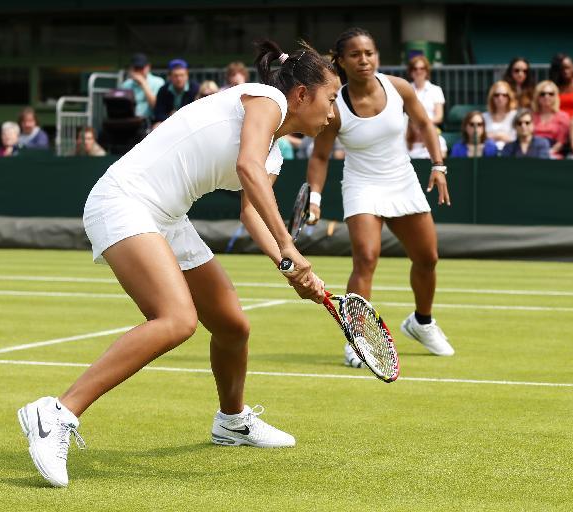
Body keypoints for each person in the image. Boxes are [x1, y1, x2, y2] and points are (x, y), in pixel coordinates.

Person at [17, 39, 338, 488]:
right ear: (301, 94)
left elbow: (251, 212)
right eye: (330, 99)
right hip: (124, 202)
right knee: (176, 319)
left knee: (232, 325)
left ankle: (231, 421)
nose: (332, 112)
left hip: (167, 217)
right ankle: (56, 414)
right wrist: (290, 246)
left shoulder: (275, 153)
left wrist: (290, 269)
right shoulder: (266, 99)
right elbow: (245, 167)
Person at [306, 27, 454, 369]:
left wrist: (438, 165)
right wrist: (314, 197)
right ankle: (358, 339)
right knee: (366, 257)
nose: (364, 60)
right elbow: (320, 157)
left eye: (369, 53)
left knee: (428, 258)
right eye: (355, 55)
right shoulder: (336, 105)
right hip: (362, 185)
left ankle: (422, 322)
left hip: (402, 180)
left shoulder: (399, 88)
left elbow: (425, 124)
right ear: (342, 61)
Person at [529, 80, 571, 159]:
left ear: (556, 97)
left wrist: (548, 152)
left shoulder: (563, 117)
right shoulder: (530, 116)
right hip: (532, 151)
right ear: (537, 97)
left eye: (551, 94)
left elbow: (561, 142)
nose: (546, 96)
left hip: (554, 152)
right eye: (542, 94)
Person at [153, 58, 199, 124]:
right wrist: (171, 117)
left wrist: (178, 115)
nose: (179, 79)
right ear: (170, 77)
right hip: (168, 122)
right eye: (175, 76)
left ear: (187, 76)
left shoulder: (195, 89)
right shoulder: (163, 90)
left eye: (182, 75)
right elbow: (158, 113)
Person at [120, 53, 165, 120]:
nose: (138, 71)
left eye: (141, 68)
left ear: (148, 67)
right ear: (131, 69)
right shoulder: (126, 84)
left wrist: (143, 83)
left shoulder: (158, 82)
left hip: (151, 120)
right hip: (129, 121)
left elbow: (156, 106)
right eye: (136, 68)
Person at [408, 55, 445, 126]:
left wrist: (424, 125)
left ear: (427, 71)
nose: (418, 71)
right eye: (415, 68)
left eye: (422, 68)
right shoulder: (406, 89)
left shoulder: (436, 90)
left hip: (429, 128)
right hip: (410, 130)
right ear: (411, 71)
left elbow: (439, 117)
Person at [482, 80, 517, 151]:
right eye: (496, 95)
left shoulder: (515, 115)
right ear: (492, 98)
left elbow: (517, 140)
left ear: (509, 97)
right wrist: (501, 136)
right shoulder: (484, 117)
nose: (500, 98)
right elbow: (480, 138)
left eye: (504, 95)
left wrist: (493, 136)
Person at [550, 53, 573, 118]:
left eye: (568, 67)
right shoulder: (552, 88)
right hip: (558, 125)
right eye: (562, 68)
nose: (565, 71)